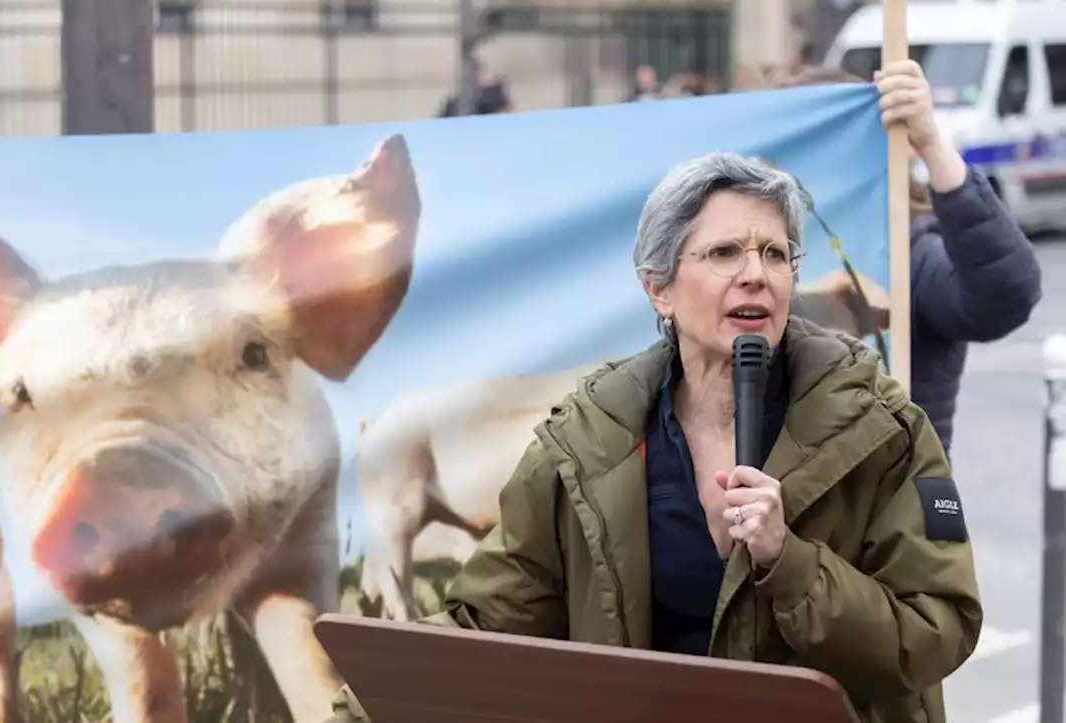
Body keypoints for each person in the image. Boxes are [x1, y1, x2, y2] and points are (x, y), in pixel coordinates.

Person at [325, 150, 982, 723]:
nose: (756, 272)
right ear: (659, 288)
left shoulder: (885, 433)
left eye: (775, 254)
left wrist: (791, 562)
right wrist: (354, 707)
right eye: (724, 252)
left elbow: (939, 628)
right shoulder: (583, 445)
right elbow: (490, 621)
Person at [775, 60, 1043, 452]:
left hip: (894, 501)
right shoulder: (760, 254)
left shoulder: (907, 252)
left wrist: (932, 143)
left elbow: (1005, 294)